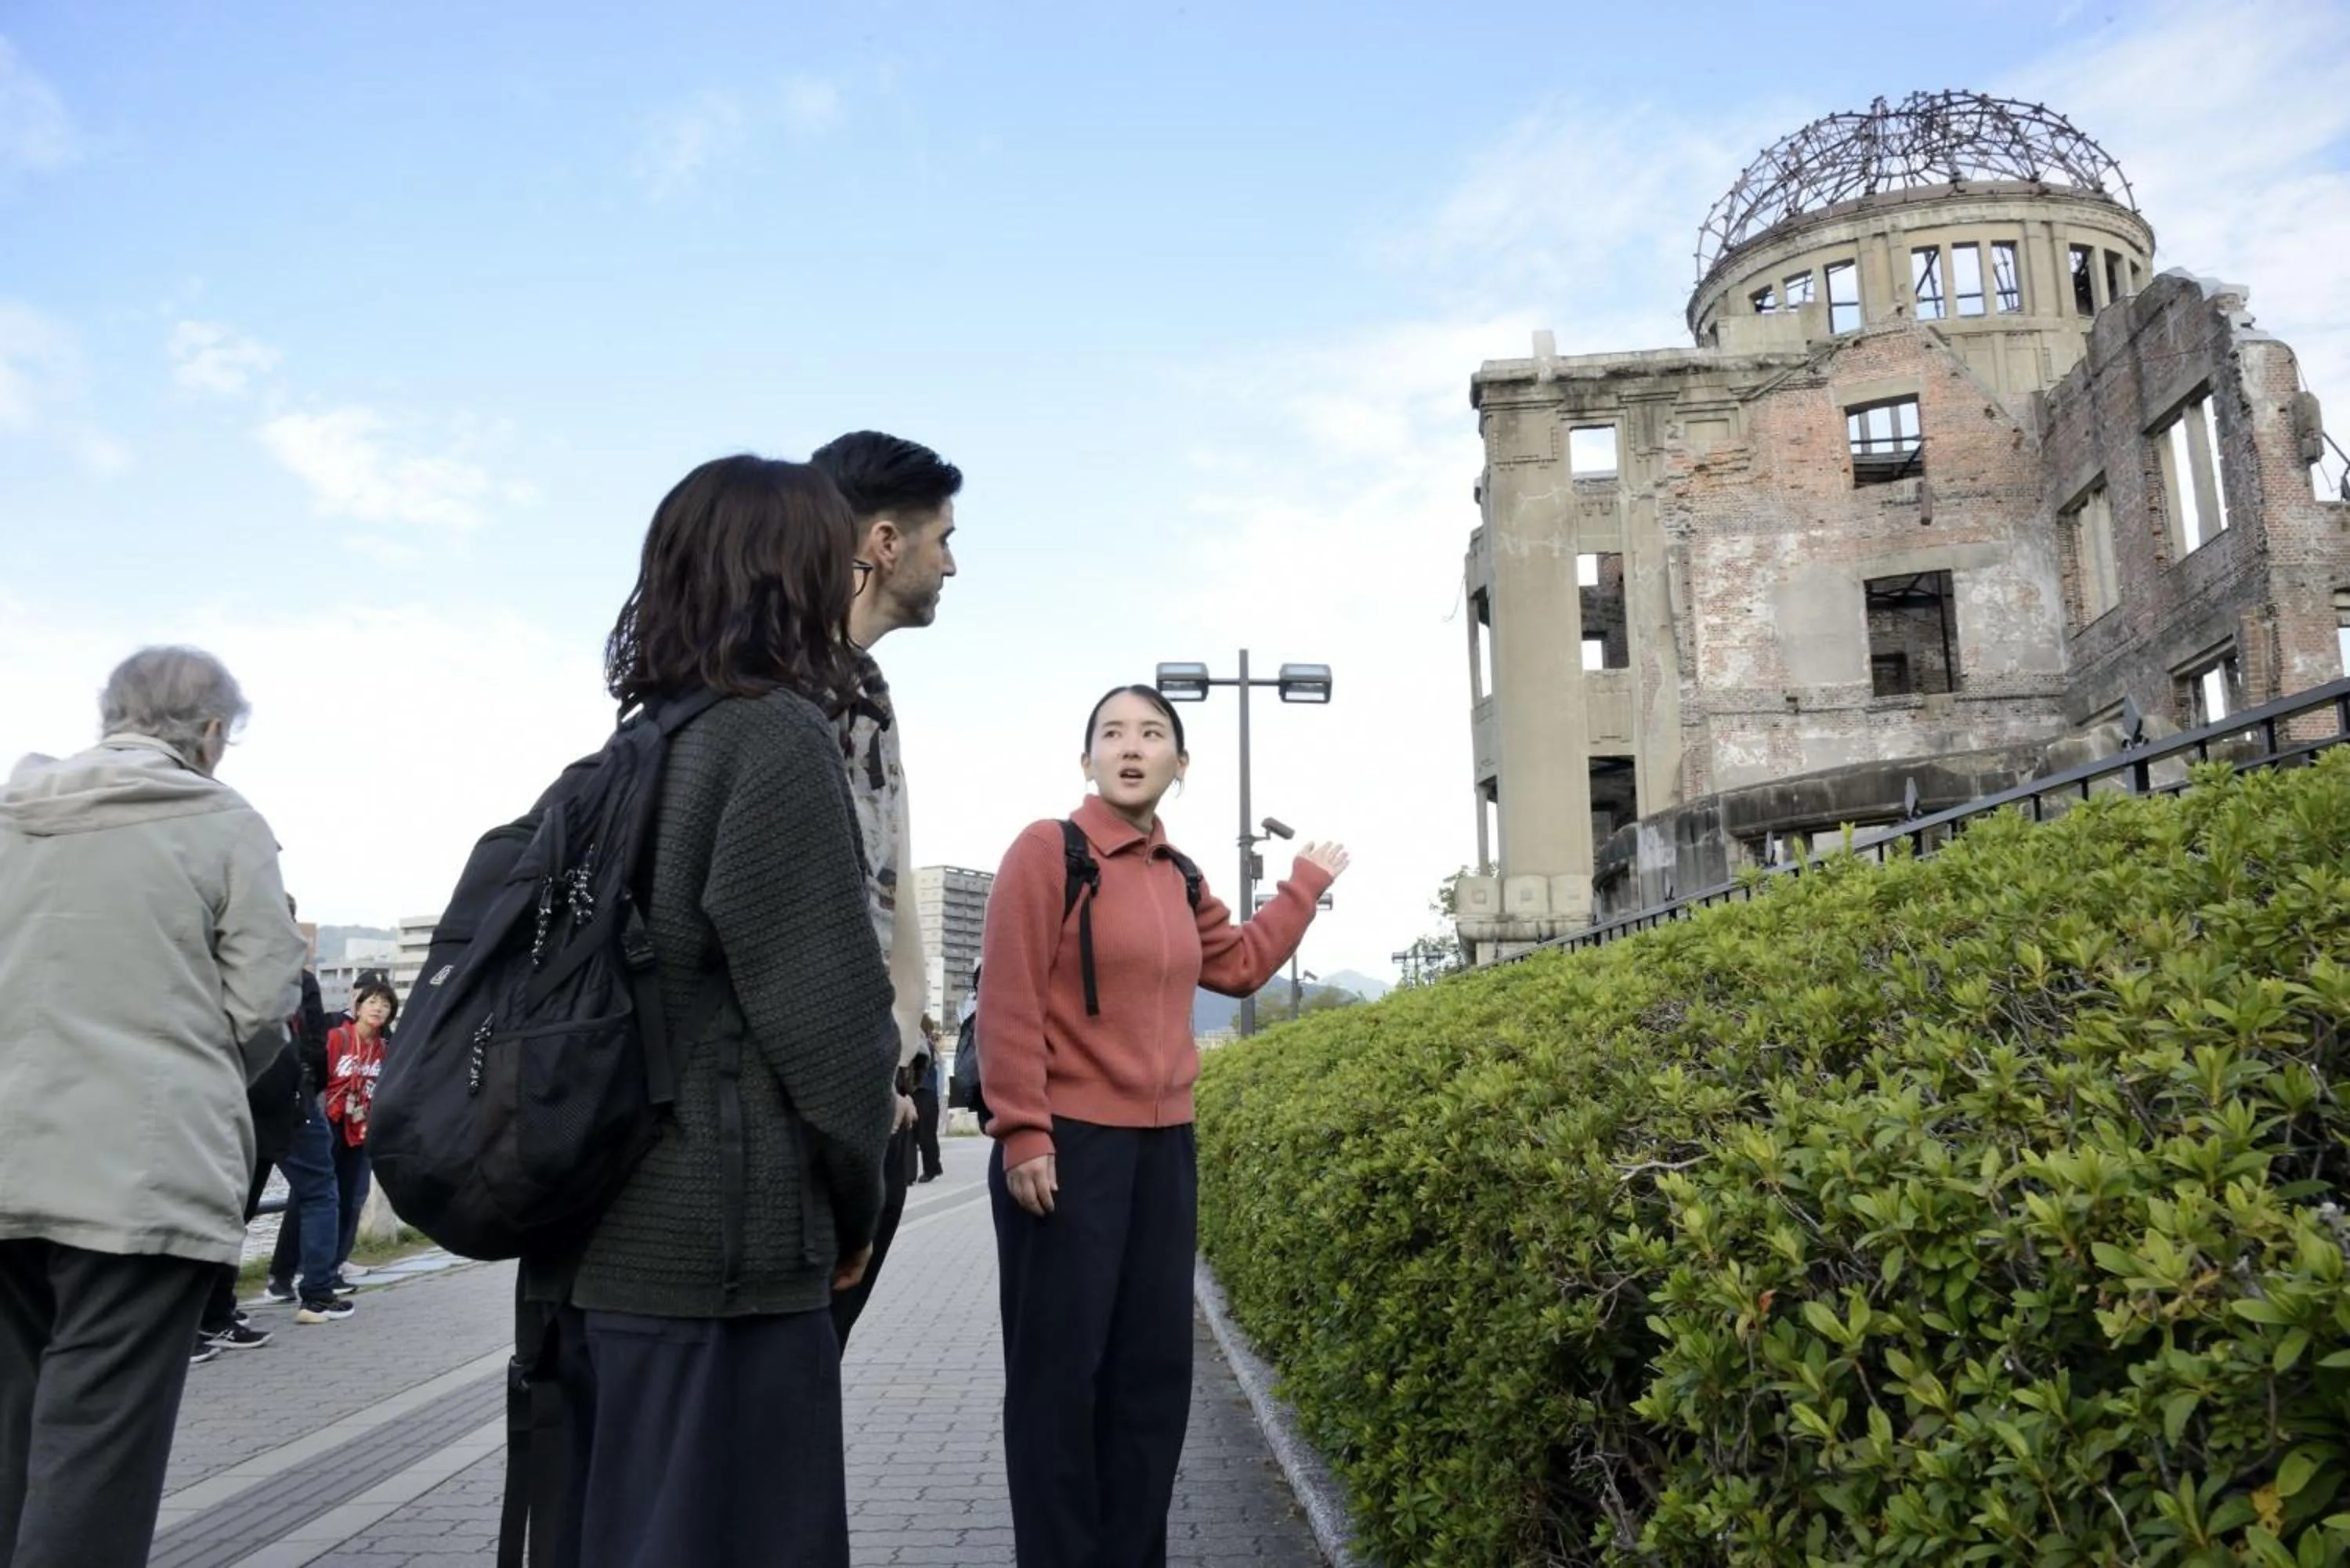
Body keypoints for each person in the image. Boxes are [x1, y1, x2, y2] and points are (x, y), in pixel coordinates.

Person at [555, 454, 900, 1568]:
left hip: (616, 1232)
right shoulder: (773, 737)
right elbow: (833, 1026)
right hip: (733, 1255)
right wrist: (861, 1205)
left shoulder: (643, 740)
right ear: (788, 572)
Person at [979, 684, 1347, 1568]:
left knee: (1151, 1380)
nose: (1130, 746)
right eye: (1112, 733)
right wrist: (1022, 1129)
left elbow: (1242, 964)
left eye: (1152, 734)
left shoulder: (1180, 875)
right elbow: (1010, 994)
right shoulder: (1048, 850)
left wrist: (1303, 886)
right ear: (1087, 760)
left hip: (1163, 1150)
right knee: (1060, 1383)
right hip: (1067, 1149)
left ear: (1180, 764)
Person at [0, 645, 308, 1568]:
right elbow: (263, 1003)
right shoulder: (224, 823)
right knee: (96, 1449)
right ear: (211, 731)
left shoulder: (12, 812)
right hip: (141, 1176)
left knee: (9, 1433)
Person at [808, 429, 962, 1348]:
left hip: (878, 1107)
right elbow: (806, 936)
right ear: (885, 542)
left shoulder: (864, 691)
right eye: (943, 538)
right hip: (830, 1124)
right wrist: (863, 1093)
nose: (953, 564)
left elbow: (885, 900)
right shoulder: (788, 695)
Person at [194, 895, 315, 1353]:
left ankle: (216, 1311)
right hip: (230, 1114)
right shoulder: (220, 973)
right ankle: (205, 1318)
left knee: (235, 1220)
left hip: (267, 1121)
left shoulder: (284, 981)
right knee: (216, 1219)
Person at [262, 963, 362, 1323]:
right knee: (319, 1192)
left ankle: (213, 1312)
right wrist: (306, 1091)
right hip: (292, 1098)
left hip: (239, 1092)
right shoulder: (299, 978)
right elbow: (317, 1048)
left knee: (233, 1202)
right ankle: (317, 1293)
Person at [323, 981, 394, 1280]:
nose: (379, 1009)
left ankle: (338, 1261)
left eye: (386, 1005)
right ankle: (300, 1269)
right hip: (330, 1124)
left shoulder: (385, 1049)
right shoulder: (338, 1038)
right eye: (372, 1002)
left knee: (353, 1197)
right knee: (323, 1196)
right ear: (358, 1006)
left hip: (361, 1128)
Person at [911, 1017, 945, 1183]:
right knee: (924, 1134)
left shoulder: (922, 1044)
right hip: (926, 1094)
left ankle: (929, 1169)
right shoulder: (928, 1045)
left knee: (922, 1134)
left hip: (922, 1092)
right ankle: (931, 1168)